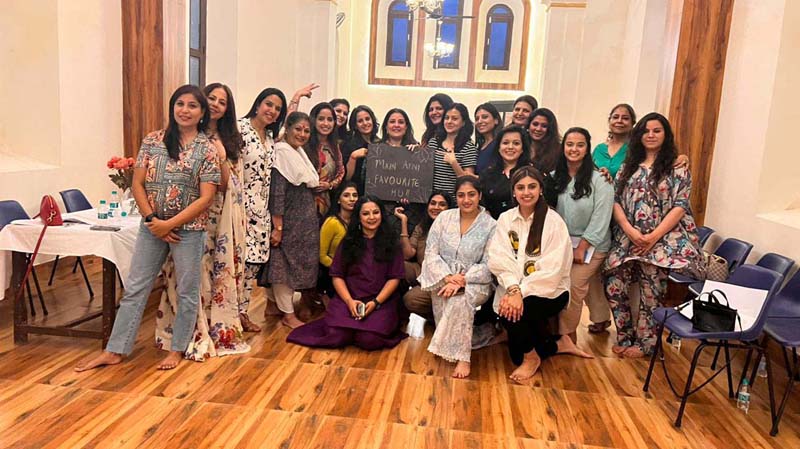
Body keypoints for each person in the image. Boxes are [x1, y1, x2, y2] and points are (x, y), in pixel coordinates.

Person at [75, 85, 220, 372]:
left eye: (193, 105)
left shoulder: (207, 149)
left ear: (202, 112)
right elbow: (137, 183)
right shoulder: (153, 140)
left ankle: (177, 349)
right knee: (135, 288)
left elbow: (207, 197)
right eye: (180, 104)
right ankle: (115, 350)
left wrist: (169, 225)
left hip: (188, 229)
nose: (185, 110)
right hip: (152, 226)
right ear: (172, 107)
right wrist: (154, 221)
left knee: (187, 291)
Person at [155, 82, 254, 358]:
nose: (216, 104)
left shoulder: (229, 140)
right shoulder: (186, 134)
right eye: (211, 98)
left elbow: (226, 184)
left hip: (218, 213)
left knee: (212, 270)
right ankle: (184, 329)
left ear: (227, 109)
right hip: (188, 210)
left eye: (222, 102)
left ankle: (211, 326)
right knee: (188, 271)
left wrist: (221, 157)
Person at [604, 112, 705, 358]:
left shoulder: (678, 168)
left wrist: (653, 237)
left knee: (651, 289)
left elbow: (680, 206)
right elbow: (614, 200)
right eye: (646, 131)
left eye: (656, 130)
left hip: (663, 239)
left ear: (665, 135)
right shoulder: (628, 167)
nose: (650, 135)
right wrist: (630, 230)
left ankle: (646, 343)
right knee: (613, 282)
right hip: (629, 236)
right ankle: (625, 335)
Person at [487, 166, 592, 383]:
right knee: (514, 349)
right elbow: (499, 258)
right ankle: (557, 344)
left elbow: (552, 270)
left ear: (541, 189)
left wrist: (520, 292)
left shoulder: (553, 222)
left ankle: (531, 357)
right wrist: (514, 289)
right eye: (521, 187)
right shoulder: (506, 219)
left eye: (532, 187)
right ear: (513, 191)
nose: (526, 192)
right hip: (513, 289)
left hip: (549, 291)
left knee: (514, 317)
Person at [287, 195, 407, 350]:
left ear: (382, 215)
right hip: (349, 298)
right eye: (366, 214)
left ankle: (363, 328)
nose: (371, 217)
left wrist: (376, 302)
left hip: (381, 301)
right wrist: (349, 301)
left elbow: (394, 278)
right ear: (358, 217)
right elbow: (337, 275)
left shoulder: (392, 243)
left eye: (375, 212)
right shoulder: (348, 242)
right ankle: (351, 328)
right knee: (337, 336)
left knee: (369, 340)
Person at [418, 177, 497, 378]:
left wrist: (462, 280)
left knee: (460, 300)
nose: (466, 200)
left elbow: (489, 263)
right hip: (442, 277)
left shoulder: (491, 225)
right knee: (446, 302)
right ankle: (478, 335)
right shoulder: (444, 218)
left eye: (471, 194)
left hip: (476, 281)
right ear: (456, 197)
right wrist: (448, 277)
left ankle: (463, 357)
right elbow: (431, 252)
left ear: (480, 195)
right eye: (461, 195)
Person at [545, 128, 614, 342]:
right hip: (562, 244)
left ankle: (566, 337)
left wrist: (583, 246)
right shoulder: (554, 178)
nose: (574, 149)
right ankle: (599, 318)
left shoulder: (600, 180)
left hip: (593, 245)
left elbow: (602, 216)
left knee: (574, 285)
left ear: (587, 149)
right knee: (575, 285)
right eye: (570, 144)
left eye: (580, 145)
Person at [265, 111, 320, 329]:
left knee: (289, 264)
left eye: (307, 131)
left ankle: (272, 305)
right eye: (298, 129)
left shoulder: (297, 152)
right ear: (287, 128)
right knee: (283, 268)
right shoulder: (282, 154)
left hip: (301, 224)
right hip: (288, 222)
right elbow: (277, 193)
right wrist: (278, 227)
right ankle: (288, 315)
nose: (302, 134)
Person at [238, 87, 287, 325]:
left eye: (277, 109)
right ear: (258, 104)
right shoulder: (239, 129)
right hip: (239, 208)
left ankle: (242, 312)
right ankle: (227, 317)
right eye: (269, 104)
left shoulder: (269, 137)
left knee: (253, 264)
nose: (272, 110)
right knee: (235, 263)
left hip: (261, 211)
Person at [396, 190, 454, 319]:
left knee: (411, 299)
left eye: (442, 204)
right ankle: (396, 313)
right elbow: (408, 254)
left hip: (443, 278)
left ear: (449, 209)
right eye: (433, 203)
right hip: (422, 270)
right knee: (398, 265)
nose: (436, 207)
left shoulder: (454, 228)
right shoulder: (422, 226)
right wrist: (404, 221)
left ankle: (441, 319)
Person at [479, 126, 531, 220]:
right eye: (505, 143)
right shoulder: (487, 174)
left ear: (522, 148)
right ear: (498, 147)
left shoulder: (531, 172)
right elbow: (482, 204)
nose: (510, 147)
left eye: (516, 143)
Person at [319, 182, 359, 302]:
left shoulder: (359, 222)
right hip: (333, 272)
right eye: (346, 195)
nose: (352, 199)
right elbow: (321, 256)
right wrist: (339, 269)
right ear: (338, 200)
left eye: (355, 195)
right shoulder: (332, 222)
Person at [428, 103, 478, 193]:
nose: (449, 121)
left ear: (463, 123)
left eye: (454, 119)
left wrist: (454, 163)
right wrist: (415, 151)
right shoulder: (433, 143)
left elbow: (468, 182)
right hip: (433, 198)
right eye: (446, 118)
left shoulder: (468, 147)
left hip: (454, 199)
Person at [307, 102, 345, 218]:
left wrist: (329, 185)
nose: (326, 123)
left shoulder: (335, 146)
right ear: (313, 120)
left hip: (327, 202)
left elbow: (341, 171)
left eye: (330, 120)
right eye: (321, 119)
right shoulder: (304, 143)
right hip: (304, 201)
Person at [343, 105, 380, 194]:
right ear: (355, 126)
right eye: (360, 121)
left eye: (367, 119)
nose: (365, 123)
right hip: (357, 193)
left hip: (377, 194)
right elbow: (346, 178)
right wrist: (353, 157)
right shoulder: (349, 145)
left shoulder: (381, 143)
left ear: (372, 120)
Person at [592, 103, 636, 180]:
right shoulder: (599, 149)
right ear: (609, 121)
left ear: (632, 123)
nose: (619, 121)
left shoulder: (635, 150)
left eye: (625, 118)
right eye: (615, 117)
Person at [527, 108, 561, 173]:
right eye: (535, 124)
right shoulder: (520, 146)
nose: (538, 129)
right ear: (528, 125)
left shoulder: (558, 152)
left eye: (544, 126)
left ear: (550, 129)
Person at [474, 103, 502, 174]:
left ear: (496, 120)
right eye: (477, 119)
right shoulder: (479, 147)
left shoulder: (500, 144)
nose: (479, 121)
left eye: (484, 117)